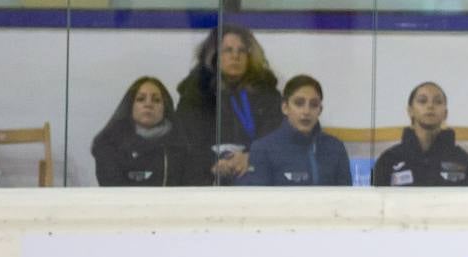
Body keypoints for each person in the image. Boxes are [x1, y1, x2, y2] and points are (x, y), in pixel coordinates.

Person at [173, 25, 284, 185]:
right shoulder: (195, 93)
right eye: (228, 50)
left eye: (241, 51)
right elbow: (187, 139)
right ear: (214, 56)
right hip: (204, 171)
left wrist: (251, 156)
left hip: (253, 169)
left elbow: (274, 135)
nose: (235, 56)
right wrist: (213, 162)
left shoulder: (267, 93)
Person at [91, 76, 206, 187]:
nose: (148, 104)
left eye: (156, 100)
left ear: (165, 108)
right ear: (130, 106)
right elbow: (113, 191)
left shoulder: (182, 147)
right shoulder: (110, 146)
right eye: (141, 99)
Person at [237, 75, 350, 186]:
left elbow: (346, 199)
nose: (306, 111)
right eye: (299, 103)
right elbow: (259, 201)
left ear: (320, 110)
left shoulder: (335, 147)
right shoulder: (263, 149)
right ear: (285, 108)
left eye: (314, 105)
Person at [374, 81, 468, 187]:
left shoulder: (462, 160)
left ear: (445, 113)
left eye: (438, 102)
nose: (430, 106)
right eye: (422, 101)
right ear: (410, 111)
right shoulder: (389, 160)